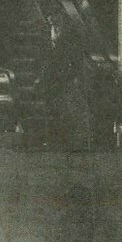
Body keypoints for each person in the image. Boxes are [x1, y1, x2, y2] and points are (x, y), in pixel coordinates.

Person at [36, 13, 92, 152]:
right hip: (57, 79)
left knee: (67, 109)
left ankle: (71, 141)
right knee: (60, 109)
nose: (51, 23)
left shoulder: (66, 39)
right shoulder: (53, 36)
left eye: (53, 21)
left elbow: (67, 59)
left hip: (63, 79)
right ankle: (61, 140)